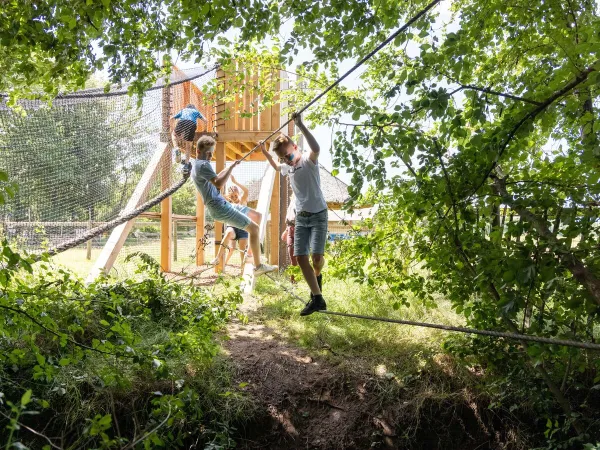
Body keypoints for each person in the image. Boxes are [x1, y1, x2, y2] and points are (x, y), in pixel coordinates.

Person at [261, 113, 327, 316]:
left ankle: (318, 276)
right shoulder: (287, 168)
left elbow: (316, 148)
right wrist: (265, 152)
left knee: (316, 257)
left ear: (295, 148)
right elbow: (275, 166)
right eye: (283, 158)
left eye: (288, 156)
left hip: (318, 215)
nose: (286, 161)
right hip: (301, 218)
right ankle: (317, 299)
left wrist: (301, 125)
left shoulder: (308, 160)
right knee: (299, 256)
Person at [192, 135, 277, 277]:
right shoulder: (204, 165)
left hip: (223, 205)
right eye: (209, 154)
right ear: (203, 153)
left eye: (211, 154)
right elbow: (219, 183)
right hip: (220, 207)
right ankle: (258, 266)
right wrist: (230, 168)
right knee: (254, 228)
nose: (210, 156)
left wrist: (228, 168)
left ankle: (253, 249)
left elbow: (216, 177)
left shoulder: (196, 165)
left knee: (257, 216)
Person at [211, 175, 251, 266]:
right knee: (228, 233)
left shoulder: (243, 200)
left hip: (243, 228)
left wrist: (235, 182)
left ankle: (242, 271)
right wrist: (222, 181)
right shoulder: (228, 203)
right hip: (232, 226)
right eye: (231, 196)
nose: (234, 197)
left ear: (238, 194)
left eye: (235, 195)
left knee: (242, 251)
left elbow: (246, 191)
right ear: (229, 196)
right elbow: (218, 193)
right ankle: (217, 258)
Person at [280, 193, 297, 283]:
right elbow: (290, 217)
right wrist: (286, 230)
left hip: (300, 229)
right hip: (290, 229)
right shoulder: (292, 199)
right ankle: (293, 281)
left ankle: (305, 278)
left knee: (301, 256)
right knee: (292, 255)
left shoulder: (303, 195)